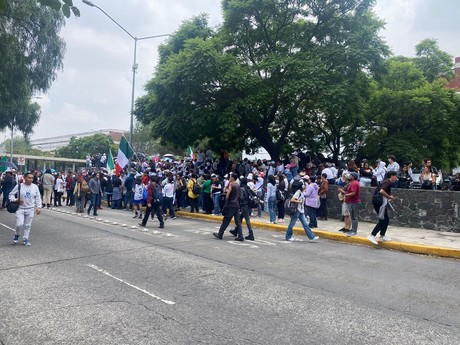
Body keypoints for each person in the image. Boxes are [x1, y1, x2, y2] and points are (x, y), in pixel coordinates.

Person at [9, 172, 42, 246]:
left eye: (32, 178)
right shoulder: (19, 186)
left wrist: (38, 207)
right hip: (20, 208)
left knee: (27, 225)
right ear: (24, 178)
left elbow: (38, 197)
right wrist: (16, 200)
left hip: (30, 209)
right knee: (19, 224)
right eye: (29, 178)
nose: (30, 179)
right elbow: (11, 195)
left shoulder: (35, 187)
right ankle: (17, 234)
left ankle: (25, 239)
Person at [368, 171, 398, 245]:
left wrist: (389, 198)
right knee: (383, 219)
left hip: (380, 202)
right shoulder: (387, 182)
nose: (396, 178)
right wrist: (389, 197)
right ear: (392, 176)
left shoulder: (388, 182)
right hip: (379, 202)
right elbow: (381, 191)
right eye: (395, 176)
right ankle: (372, 235)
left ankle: (382, 235)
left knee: (386, 219)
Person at [213, 173, 244, 241]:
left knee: (226, 220)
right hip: (236, 204)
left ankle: (220, 234)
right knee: (238, 221)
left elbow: (227, 195)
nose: (229, 178)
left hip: (231, 204)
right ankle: (240, 235)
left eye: (230, 177)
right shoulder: (238, 185)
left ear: (233, 178)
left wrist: (226, 200)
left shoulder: (231, 185)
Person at [343, 172, 361, 237]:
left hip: (354, 202)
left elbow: (353, 192)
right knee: (353, 216)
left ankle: (354, 231)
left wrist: (346, 195)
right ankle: (353, 230)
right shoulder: (354, 183)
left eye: (350, 175)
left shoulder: (354, 183)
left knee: (354, 217)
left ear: (353, 177)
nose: (349, 176)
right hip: (352, 202)